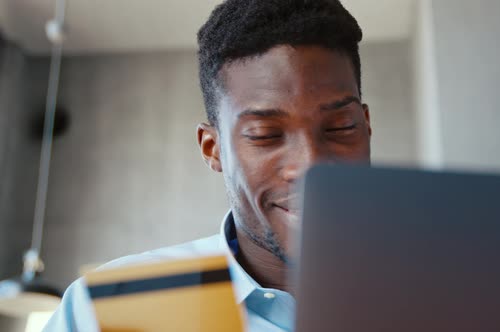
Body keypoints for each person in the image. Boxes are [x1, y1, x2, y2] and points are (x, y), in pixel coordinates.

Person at [43, 0, 371, 331]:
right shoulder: (113, 311)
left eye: (340, 127)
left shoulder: (422, 283)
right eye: (265, 134)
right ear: (213, 149)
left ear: (366, 124)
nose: (310, 165)